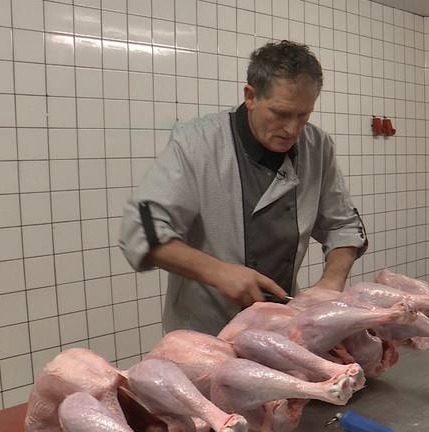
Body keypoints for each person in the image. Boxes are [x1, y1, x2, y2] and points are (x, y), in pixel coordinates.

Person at [119, 41, 367, 335]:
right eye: (281, 113)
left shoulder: (318, 146)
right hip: (205, 332)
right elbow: (141, 228)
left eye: (303, 115)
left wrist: (331, 283)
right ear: (250, 96)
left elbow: (343, 226)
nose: (292, 130)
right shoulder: (198, 143)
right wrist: (219, 272)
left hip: (282, 326)